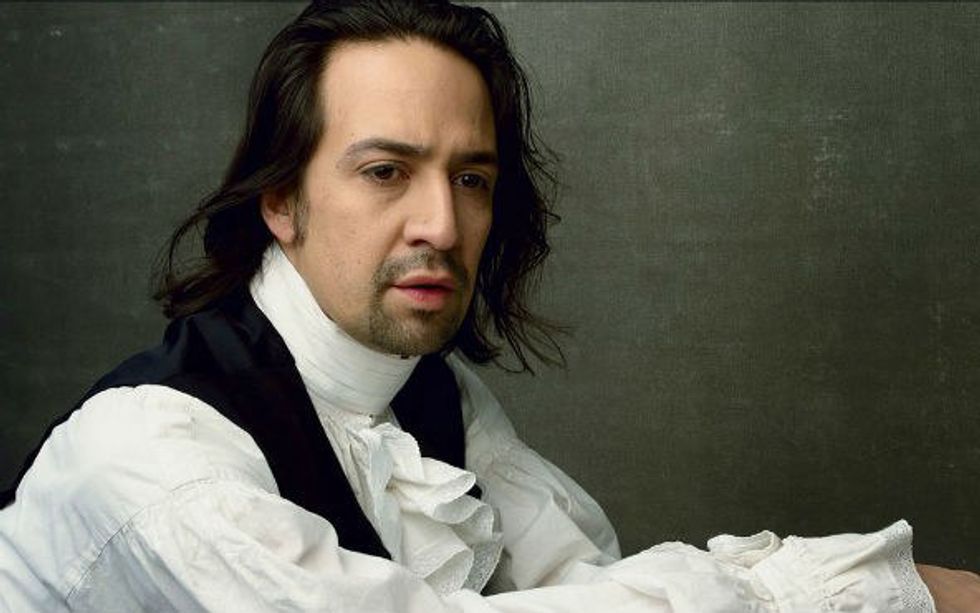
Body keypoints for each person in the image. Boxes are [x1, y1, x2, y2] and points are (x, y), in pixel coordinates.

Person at [0, 1, 977, 611]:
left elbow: (584, 586)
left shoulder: (433, 396)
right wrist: (859, 591)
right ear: (282, 200)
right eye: (385, 171)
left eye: (470, 178)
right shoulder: (149, 455)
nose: (441, 222)